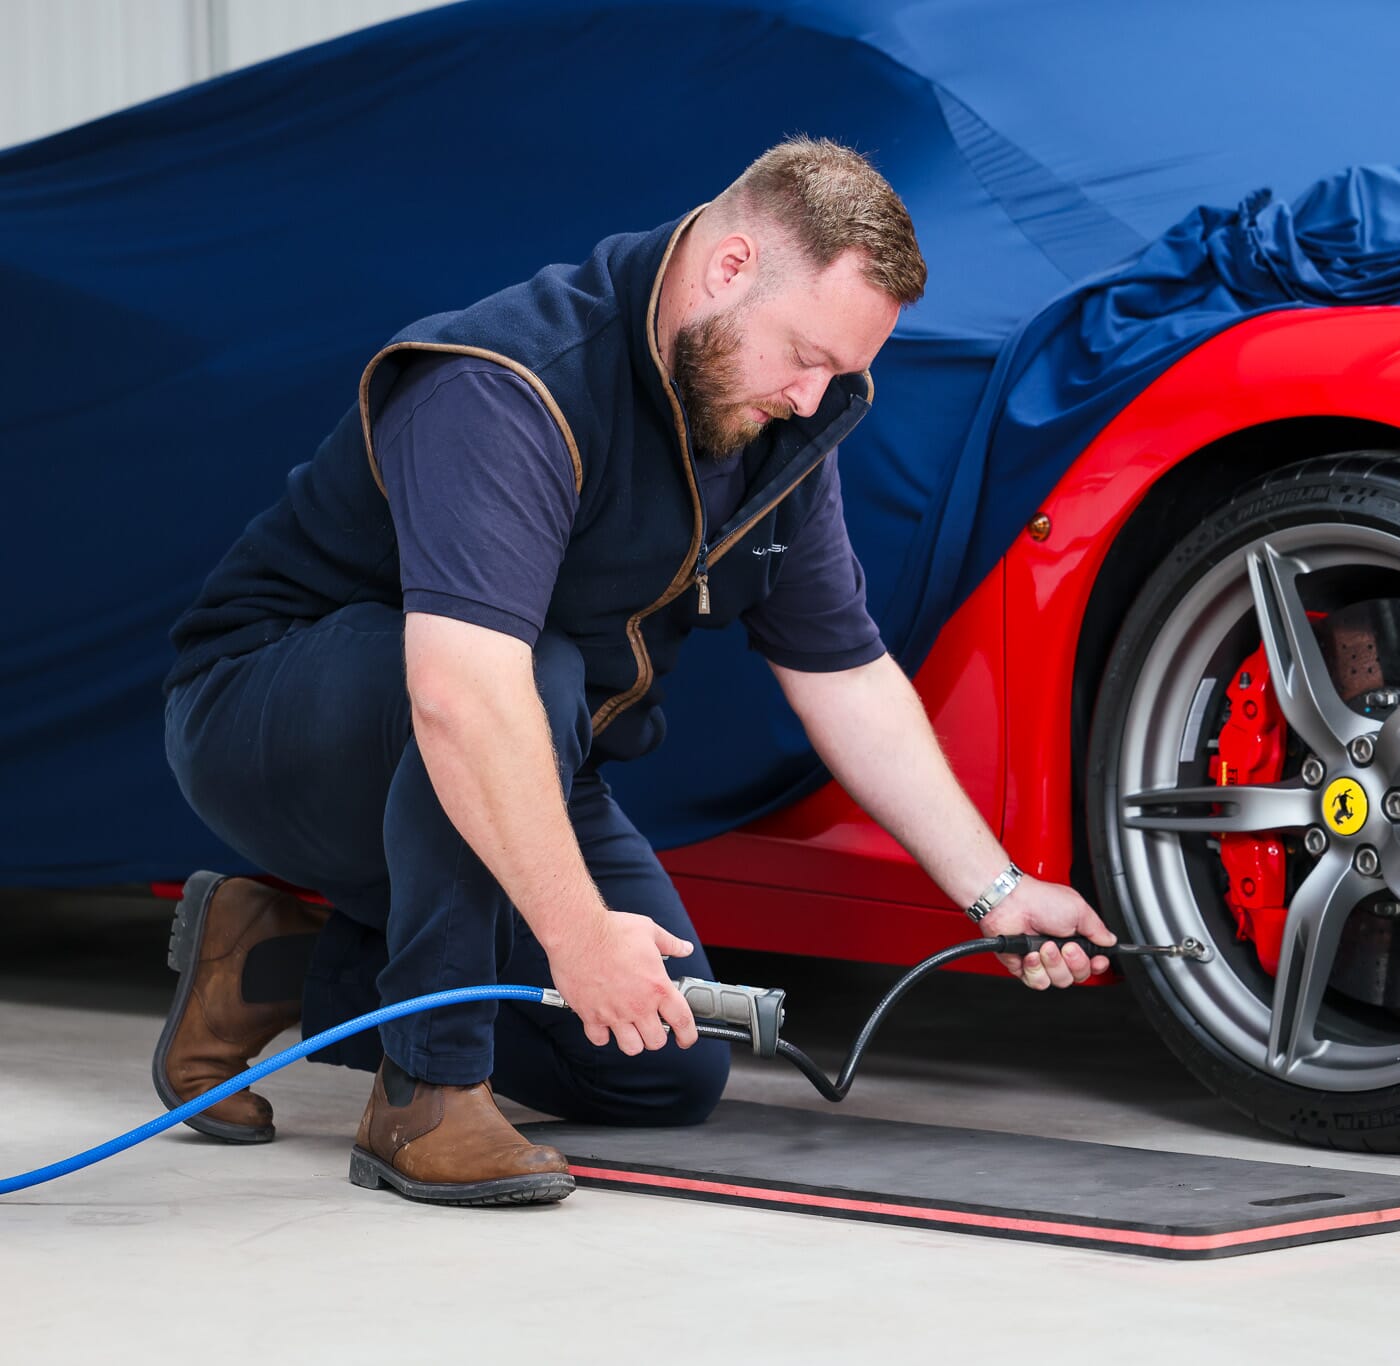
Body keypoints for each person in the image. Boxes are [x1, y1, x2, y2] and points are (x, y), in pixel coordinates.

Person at [156, 137, 1114, 1207]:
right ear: (729, 266)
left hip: (520, 733)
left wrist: (995, 890)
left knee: (661, 1063)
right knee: (538, 674)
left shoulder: (775, 429)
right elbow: (460, 691)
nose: (811, 397)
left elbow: (842, 672)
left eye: (840, 372)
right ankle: (426, 1093)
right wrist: (574, 932)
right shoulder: (511, 382)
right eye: (802, 355)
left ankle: (272, 965)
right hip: (270, 712)